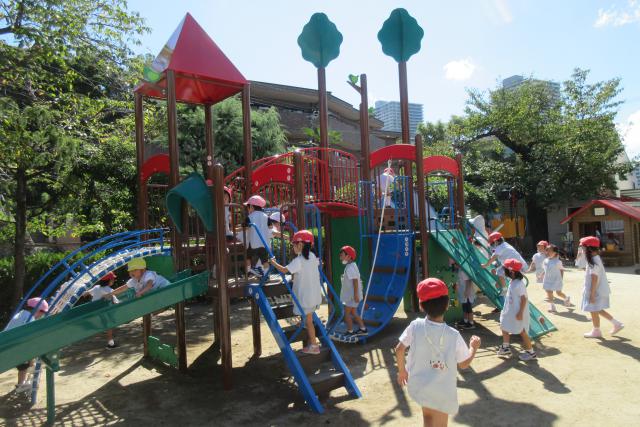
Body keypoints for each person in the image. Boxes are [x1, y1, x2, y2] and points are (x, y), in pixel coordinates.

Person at [395, 278, 480, 426]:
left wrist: (402, 371)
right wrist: (473, 348)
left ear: (421, 305)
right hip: (442, 391)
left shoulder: (415, 326)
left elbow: (399, 349)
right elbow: (464, 364)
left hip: (421, 386)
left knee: (428, 418)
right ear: (447, 305)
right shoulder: (453, 335)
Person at [269, 230, 323, 354]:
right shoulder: (313, 256)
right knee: (308, 318)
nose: (293, 247)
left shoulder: (299, 260)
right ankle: (304, 324)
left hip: (305, 297)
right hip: (314, 295)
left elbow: (284, 270)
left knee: (309, 322)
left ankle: (314, 346)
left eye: (294, 244)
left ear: (300, 245)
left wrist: (273, 262)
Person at [579, 236, 624, 338]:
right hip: (598, 290)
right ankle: (617, 324)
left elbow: (594, 279)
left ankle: (596, 330)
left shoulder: (593, 261)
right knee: (597, 309)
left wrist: (592, 294)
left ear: (589, 249)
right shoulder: (595, 259)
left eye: (583, 248)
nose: (582, 250)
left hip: (595, 291)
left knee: (594, 310)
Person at [4, 297, 49, 392]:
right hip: (12, 347)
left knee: (23, 364)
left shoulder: (22, 314)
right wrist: (32, 361)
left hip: (7, 343)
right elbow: (28, 339)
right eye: (42, 312)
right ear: (36, 310)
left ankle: (22, 382)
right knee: (25, 360)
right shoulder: (29, 318)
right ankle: (22, 382)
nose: (42, 315)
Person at [496, 259, 537, 361]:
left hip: (517, 312)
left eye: (505, 269)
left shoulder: (519, 284)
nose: (504, 271)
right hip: (510, 311)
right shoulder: (513, 281)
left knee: (522, 331)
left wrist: (520, 313)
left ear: (512, 272)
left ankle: (531, 352)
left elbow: (524, 299)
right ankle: (505, 347)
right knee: (504, 325)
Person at [84, 272, 119, 349]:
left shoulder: (96, 287)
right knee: (109, 324)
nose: (114, 280)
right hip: (104, 311)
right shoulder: (110, 290)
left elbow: (86, 293)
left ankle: (105, 327)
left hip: (95, 311)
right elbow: (116, 302)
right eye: (113, 279)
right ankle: (111, 343)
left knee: (105, 320)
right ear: (109, 280)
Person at [338, 246, 367, 337]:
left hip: (352, 296)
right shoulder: (351, 266)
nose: (340, 257)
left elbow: (355, 281)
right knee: (354, 312)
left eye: (342, 255)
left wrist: (355, 295)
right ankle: (363, 329)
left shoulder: (350, 267)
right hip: (353, 295)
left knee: (346, 313)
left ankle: (350, 331)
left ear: (348, 256)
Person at [243, 195, 270, 277]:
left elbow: (245, 227)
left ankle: (248, 272)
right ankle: (266, 275)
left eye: (248, 207)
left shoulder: (250, 217)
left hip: (253, 243)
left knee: (248, 257)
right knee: (265, 260)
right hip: (264, 243)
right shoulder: (266, 216)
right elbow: (270, 226)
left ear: (251, 206)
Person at [542, 244, 570, 312]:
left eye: (549, 250)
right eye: (546, 250)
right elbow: (545, 269)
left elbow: (561, 270)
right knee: (549, 291)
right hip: (547, 279)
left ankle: (566, 298)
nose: (547, 252)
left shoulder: (558, 262)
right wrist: (542, 274)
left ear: (555, 252)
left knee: (558, 293)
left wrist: (561, 279)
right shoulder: (545, 260)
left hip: (556, 280)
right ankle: (552, 306)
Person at [453, 263, 476, 329]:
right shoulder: (460, 270)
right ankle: (465, 321)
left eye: (454, 265)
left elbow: (468, 281)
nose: (453, 266)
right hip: (463, 293)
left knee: (469, 308)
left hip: (466, 294)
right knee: (464, 307)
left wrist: (467, 291)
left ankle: (471, 323)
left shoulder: (463, 271)